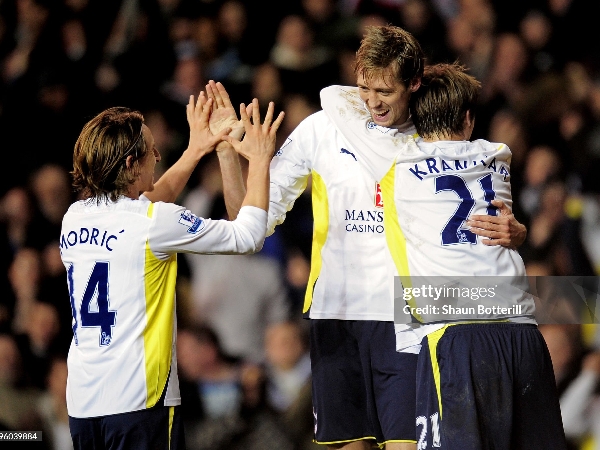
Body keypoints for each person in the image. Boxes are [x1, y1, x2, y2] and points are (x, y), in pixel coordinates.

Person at [207, 25, 526, 450]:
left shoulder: (433, 136)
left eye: (385, 91)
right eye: (363, 88)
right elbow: (249, 223)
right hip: (336, 312)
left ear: (414, 83)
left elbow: (481, 217)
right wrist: (228, 153)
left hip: (408, 317)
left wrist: (516, 231)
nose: (372, 101)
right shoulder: (322, 128)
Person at [60, 94, 284, 450]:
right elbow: (248, 236)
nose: (159, 157)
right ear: (132, 163)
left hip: (84, 404)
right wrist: (258, 159)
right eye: (152, 151)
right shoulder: (153, 223)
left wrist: (197, 149)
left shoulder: (74, 218)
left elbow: (148, 202)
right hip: (140, 402)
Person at [380, 62, 566, 449]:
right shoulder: (498, 155)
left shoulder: (394, 166)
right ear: (468, 120)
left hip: (455, 335)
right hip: (522, 332)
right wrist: (522, 231)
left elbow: (348, 103)